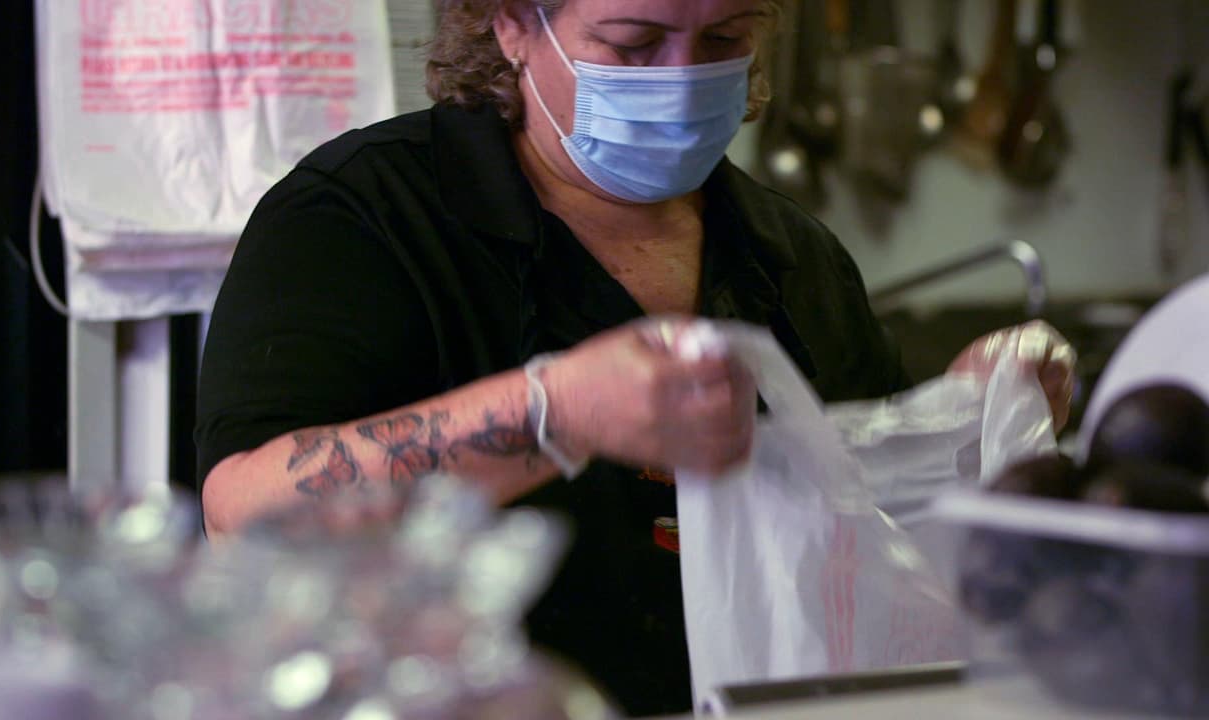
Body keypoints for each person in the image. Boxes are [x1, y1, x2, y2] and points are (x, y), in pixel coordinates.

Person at [195, 0, 1075, 714]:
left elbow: (876, 542)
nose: (684, 77)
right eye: (634, 41)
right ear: (511, 25)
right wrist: (553, 412)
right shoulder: (362, 219)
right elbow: (249, 511)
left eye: (725, 38)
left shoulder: (789, 255)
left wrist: (956, 426)